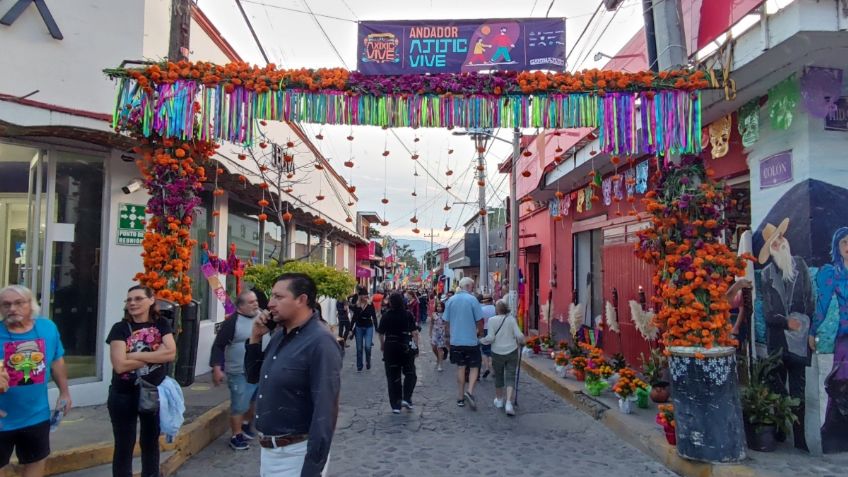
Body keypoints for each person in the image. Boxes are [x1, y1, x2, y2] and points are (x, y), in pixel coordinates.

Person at [245, 273, 342, 477]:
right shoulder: (280, 335)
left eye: (279, 297)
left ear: (302, 300)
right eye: (271, 297)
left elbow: (325, 412)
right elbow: (253, 376)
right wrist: (255, 336)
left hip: (296, 455)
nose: (270, 304)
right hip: (269, 452)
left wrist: (312, 468)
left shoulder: (320, 342)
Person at [0, 285, 71, 477]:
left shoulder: (47, 328)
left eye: (18, 303)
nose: (12, 309)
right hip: (2, 417)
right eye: (6, 304)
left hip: (36, 414)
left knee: (36, 461)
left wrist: (64, 392)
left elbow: (57, 361)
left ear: (31, 305)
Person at [106, 285, 176, 477]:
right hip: (122, 394)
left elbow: (170, 353)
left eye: (138, 298)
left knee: (150, 442)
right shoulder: (119, 329)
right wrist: (155, 354)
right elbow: (119, 365)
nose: (133, 303)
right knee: (124, 445)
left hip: (151, 393)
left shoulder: (161, 324)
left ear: (151, 300)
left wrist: (135, 355)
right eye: (129, 300)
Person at [758, 218, 813, 450]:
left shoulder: (800, 266)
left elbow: (811, 301)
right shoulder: (766, 275)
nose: (779, 243)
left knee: (798, 393)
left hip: (800, 343)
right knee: (778, 390)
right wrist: (787, 322)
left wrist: (811, 331)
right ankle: (781, 433)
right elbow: (769, 313)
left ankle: (800, 441)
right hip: (778, 343)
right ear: (770, 250)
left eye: (781, 238)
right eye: (774, 242)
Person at [810, 226, 848, 453]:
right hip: (845, 337)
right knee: (841, 383)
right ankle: (835, 435)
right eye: (844, 242)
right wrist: (813, 331)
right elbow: (822, 306)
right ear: (837, 247)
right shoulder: (831, 273)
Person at [210, 290, 264, 450]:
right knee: (239, 405)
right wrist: (217, 368)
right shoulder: (232, 322)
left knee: (253, 402)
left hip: (258, 370)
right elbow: (218, 346)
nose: (255, 304)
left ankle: (246, 426)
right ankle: (236, 436)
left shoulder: (261, 316)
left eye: (255, 301)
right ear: (240, 307)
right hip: (239, 372)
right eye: (251, 302)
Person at [442, 277, 483, 410]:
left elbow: (446, 322)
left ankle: (460, 397)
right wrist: (479, 333)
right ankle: (470, 391)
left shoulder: (450, 300)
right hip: (471, 341)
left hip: (456, 341)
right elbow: (480, 320)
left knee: (460, 367)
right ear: (469, 286)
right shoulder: (473, 300)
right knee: (474, 367)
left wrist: (448, 336)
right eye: (472, 286)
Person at [480, 300, 525, 416]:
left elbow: (490, 338)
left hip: (497, 352)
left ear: (497, 309)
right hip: (512, 351)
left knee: (499, 376)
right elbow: (519, 335)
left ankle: (499, 400)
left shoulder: (491, 320)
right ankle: (509, 402)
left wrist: (481, 341)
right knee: (510, 376)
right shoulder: (511, 319)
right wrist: (522, 342)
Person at [377, 293, 419, 414]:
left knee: (392, 376)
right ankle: (406, 397)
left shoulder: (386, 315)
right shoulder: (408, 314)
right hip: (405, 346)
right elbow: (415, 333)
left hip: (391, 346)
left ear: (391, 302)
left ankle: (396, 404)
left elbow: (381, 333)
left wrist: (382, 344)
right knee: (410, 373)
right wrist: (416, 347)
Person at [349, 292, 377, 372]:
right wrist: (350, 329)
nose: (366, 297)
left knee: (368, 347)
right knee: (359, 348)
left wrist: (377, 327)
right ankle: (359, 366)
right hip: (359, 327)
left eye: (366, 296)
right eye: (364, 295)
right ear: (360, 297)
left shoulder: (370, 304)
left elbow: (374, 316)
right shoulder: (357, 306)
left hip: (369, 326)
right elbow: (354, 317)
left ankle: (368, 361)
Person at [478, 294, 496, 380]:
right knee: (493, 349)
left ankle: (486, 368)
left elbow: (480, 322)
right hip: (494, 330)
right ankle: (493, 369)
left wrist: (479, 331)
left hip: (485, 329)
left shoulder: (481, 309)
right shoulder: (496, 309)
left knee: (484, 350)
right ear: (491, 301)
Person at [429, 297, 448, 372]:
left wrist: (447, 333)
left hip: (442, 333)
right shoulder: (434, 314)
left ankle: (440, 364)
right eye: (437, 306)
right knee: (434, 348)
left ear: (443, 307)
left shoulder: (445, 315)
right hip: (435, 332)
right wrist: (430, 332)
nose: (438, 307)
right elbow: (431, 324)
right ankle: (438, 358)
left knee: (440, 349)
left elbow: (447, 324)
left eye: (440, 306)